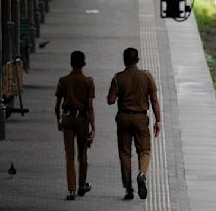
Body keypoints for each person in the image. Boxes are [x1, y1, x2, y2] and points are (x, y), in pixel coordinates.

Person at [107, 47, 161, 200]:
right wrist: (158, 121)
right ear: (138, 60)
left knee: (125, 154)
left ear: (124, 60)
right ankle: (142, 174)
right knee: (144, 150)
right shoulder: (147, 76)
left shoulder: (118, 78)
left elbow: (111, 101)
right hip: (141, 118)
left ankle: (129, 190)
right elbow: (154, 100)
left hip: (123, 118)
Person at [55, 51, 95, 200]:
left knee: (69, 155)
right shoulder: (88, 82)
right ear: (83, 64)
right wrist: (93, 127)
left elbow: (56, 106)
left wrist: (58, 120)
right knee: (82, 154)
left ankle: (71, 189)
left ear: (71, 63)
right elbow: (90, 107)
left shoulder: (63, 81)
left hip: (67, 119)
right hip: (82, 120)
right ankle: (82, 185)